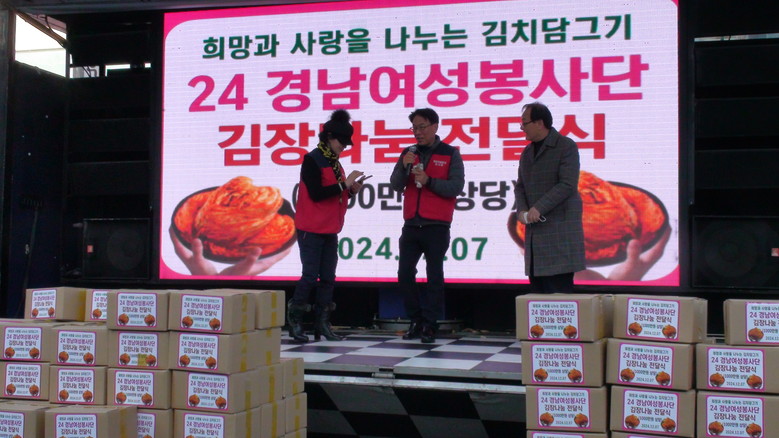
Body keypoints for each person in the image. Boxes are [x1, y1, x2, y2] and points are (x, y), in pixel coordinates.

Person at [287, 109, 366, 343]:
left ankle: (322, 323)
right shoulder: (312, 159)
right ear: (329, 137)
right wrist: (345, 184)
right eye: (341, 142)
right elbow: (317, 193)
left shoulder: (335, 163)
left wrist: (351, 190)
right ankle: (295, 320)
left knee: (329, 278)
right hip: (311, 228)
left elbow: (336, 194)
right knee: (310, 276)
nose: (344, 147)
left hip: (330, 228)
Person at [390, 108, 465, 343]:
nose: (417, 132)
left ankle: (430, 325)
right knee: (404, 274)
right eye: (414, 128)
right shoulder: (408, 153)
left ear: (435, 126)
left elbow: (455, 187)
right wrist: (404, 167)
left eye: (422, 127)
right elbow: (395, 185)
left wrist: (429, 180)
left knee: (434, 275)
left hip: (437, 225)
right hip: (411, 224)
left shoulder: (450, 153)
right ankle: (415, 320)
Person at [514, 102, 585, 292]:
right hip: (535, 237)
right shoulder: (527, 152)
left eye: (524, 123)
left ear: (539, 123)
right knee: (537, 296)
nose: (522, 128)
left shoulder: (565, 146)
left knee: (558, 296)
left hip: (559, 234)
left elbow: (567, 184)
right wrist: (522, 210)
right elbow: (520, 186)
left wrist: (539, 208)